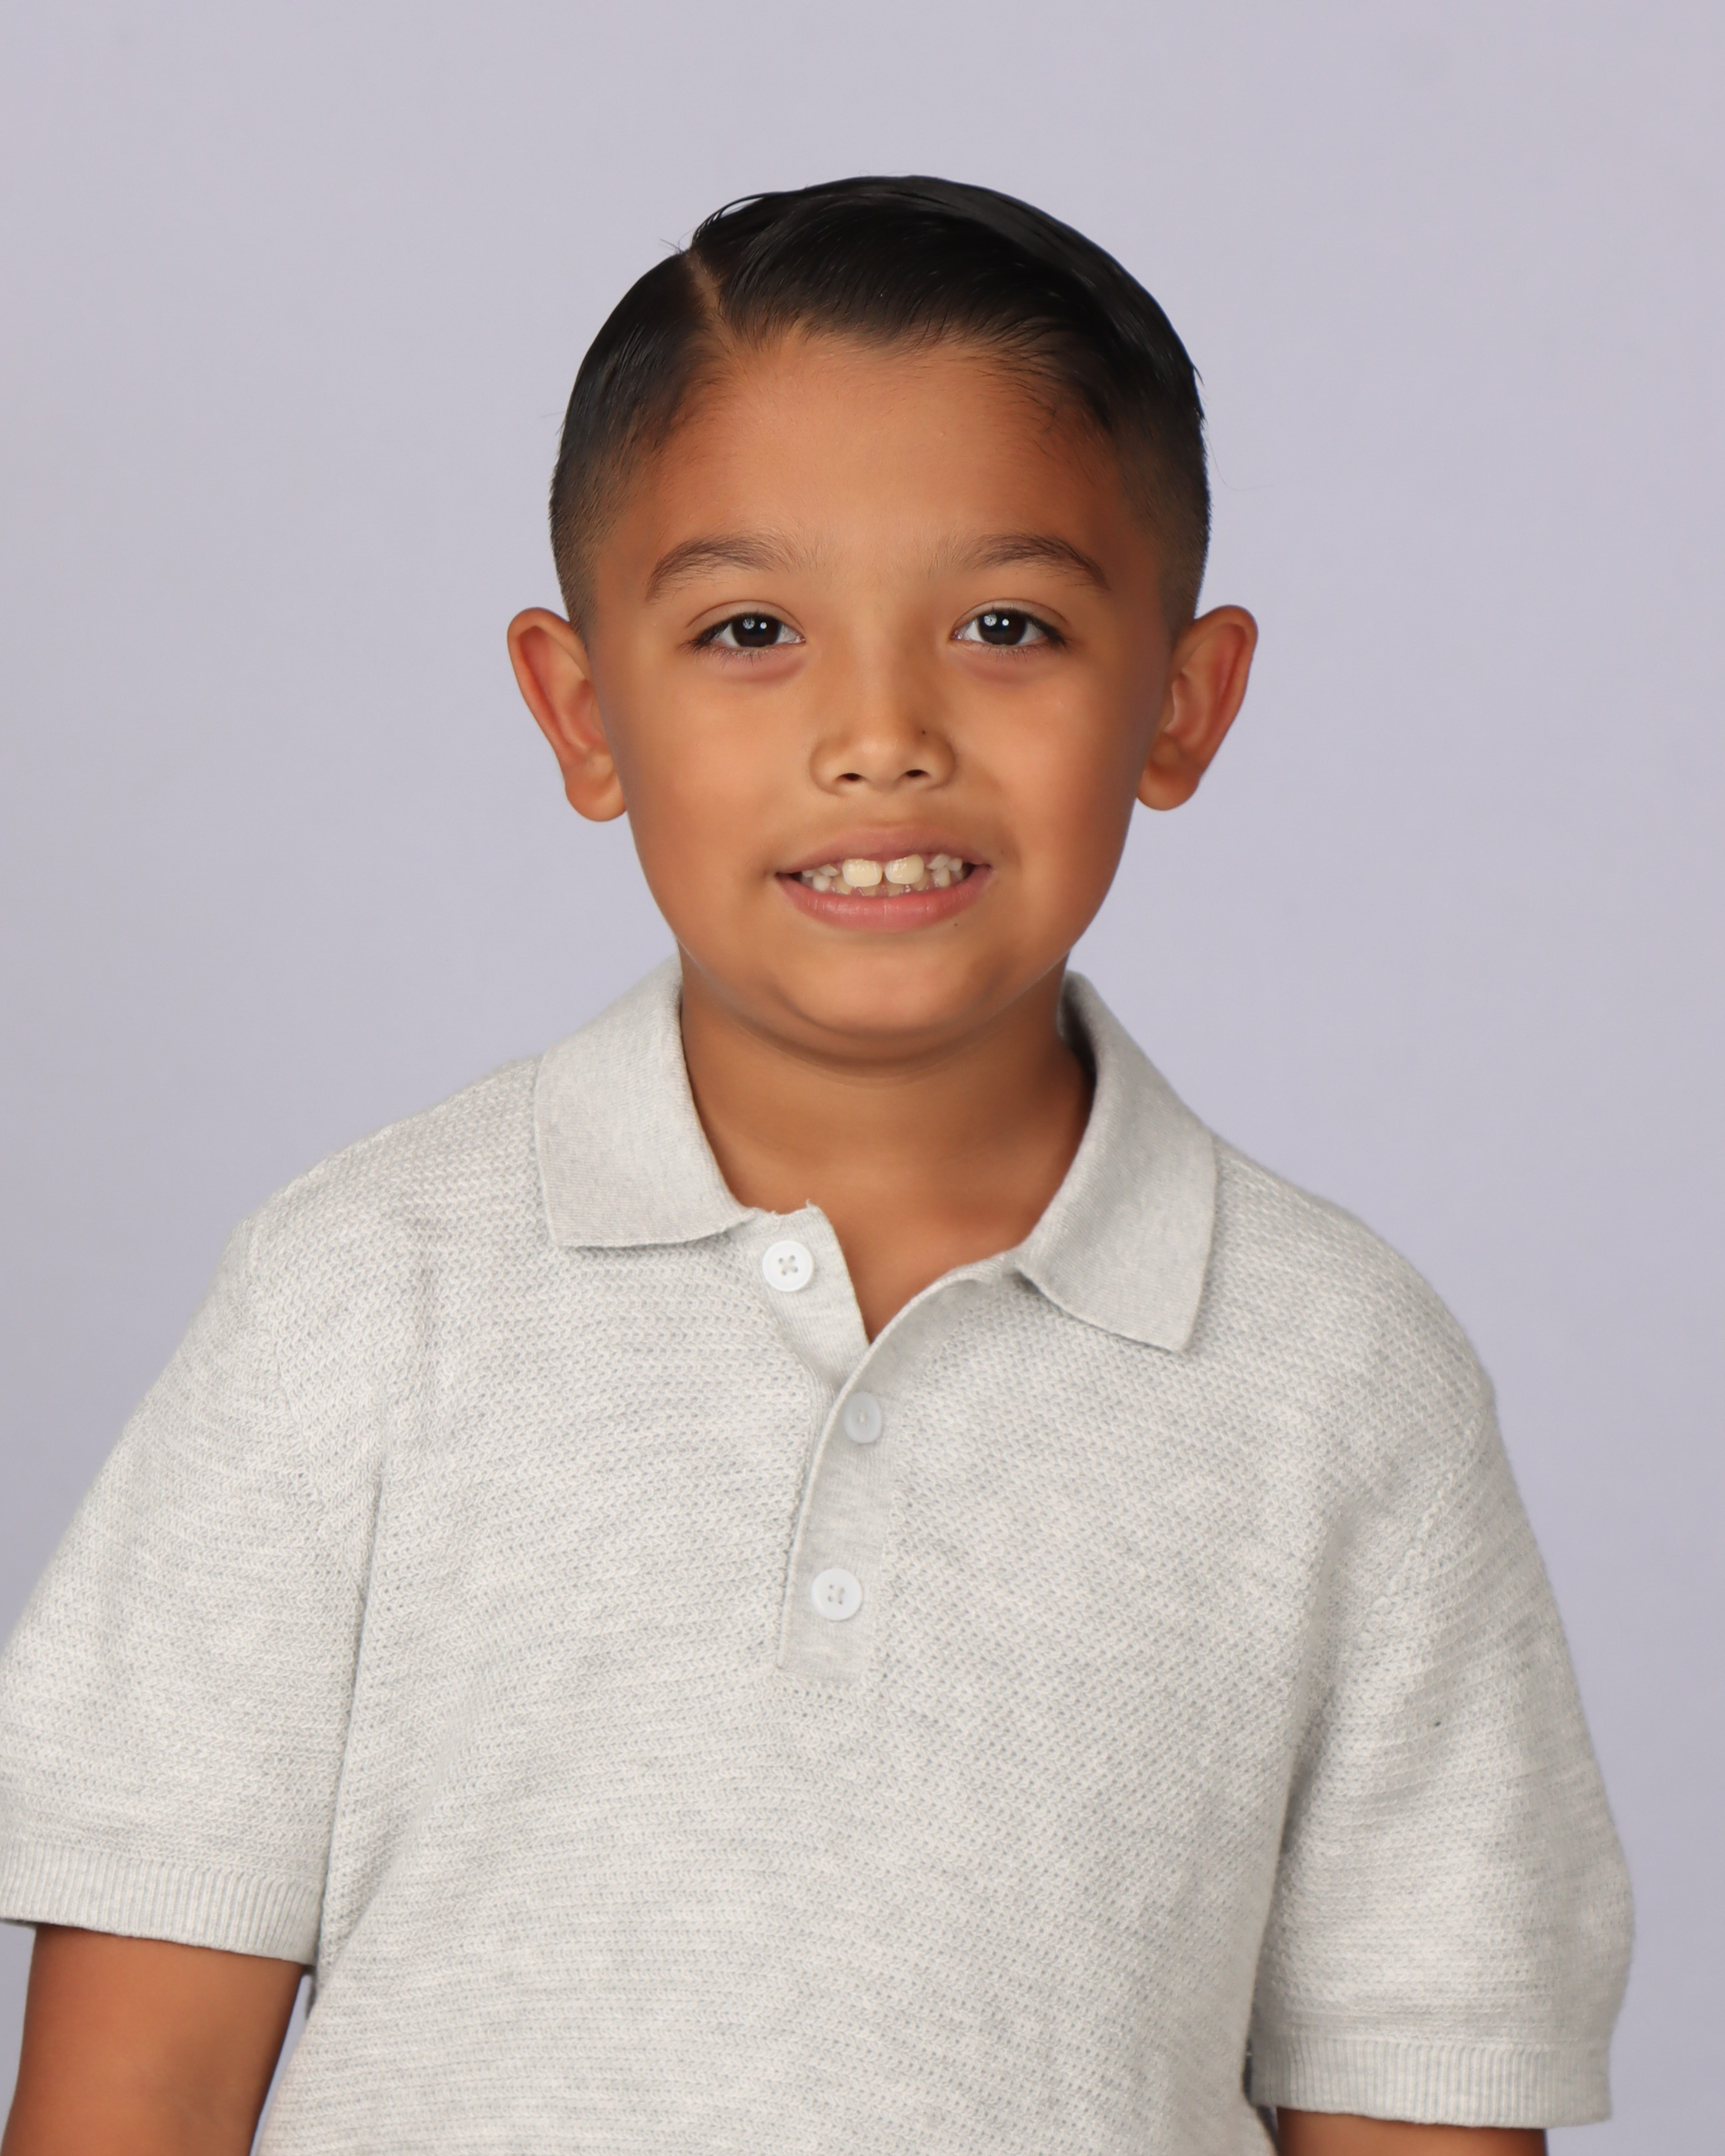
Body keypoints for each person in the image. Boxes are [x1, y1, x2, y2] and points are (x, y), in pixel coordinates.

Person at [0, 177, 1630, 2155]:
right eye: (750, 630)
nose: (879, 734)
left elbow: (1420, 2083)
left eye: (1006, 626)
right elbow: (136, 2088)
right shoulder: (359, 1298)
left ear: (1182, 701)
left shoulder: (1343, 1382)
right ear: (583, 711)